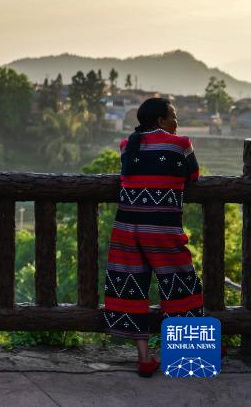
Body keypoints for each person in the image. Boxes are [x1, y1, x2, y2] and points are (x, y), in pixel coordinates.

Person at [103, 97, 204, 377]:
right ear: (161, 120)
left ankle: (145, 358)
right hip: (162, 230)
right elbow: (194, 175)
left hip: (126, 228)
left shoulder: (127, 145)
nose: (176, 122)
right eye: (173, 116)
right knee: (181, 284)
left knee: (132, 287)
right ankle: (192, 350)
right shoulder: (181, 144)